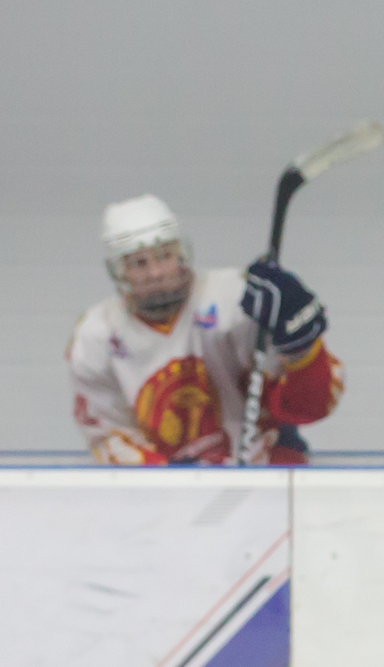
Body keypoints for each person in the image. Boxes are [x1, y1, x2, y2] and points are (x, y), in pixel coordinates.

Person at [68, 194, 343, 465]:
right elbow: (110, 437)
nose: (156, 273)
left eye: (165, 256)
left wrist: (302, 350)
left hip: (264, 473)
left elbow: (310, 408)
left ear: (181, 253)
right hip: (167, 488)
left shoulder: (236, 300)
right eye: (139, 263)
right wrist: (173, 483)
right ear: (119, 271)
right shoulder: (97, 335)